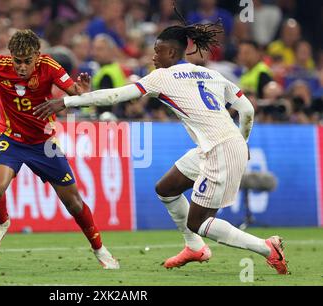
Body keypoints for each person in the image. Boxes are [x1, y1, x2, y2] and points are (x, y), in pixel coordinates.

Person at [34, 16, 288, 275]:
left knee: (199, 221)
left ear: (172, 52)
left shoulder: (162, 77)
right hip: (219, 145)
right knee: (166, 188)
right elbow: (246, 109)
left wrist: (65, 103)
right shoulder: (211, 74)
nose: (153, 57)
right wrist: (241, 141)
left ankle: (267, 248)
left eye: (157, 51)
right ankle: (194, 247)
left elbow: (115, 95)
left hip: (219, 149)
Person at [0, 29, 119, 269]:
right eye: (17, 61)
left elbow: (74, 95)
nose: (22, 67)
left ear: (37, 56)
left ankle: (99, 249)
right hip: (11, 138)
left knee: (74, 203)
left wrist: (81, 91)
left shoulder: (50, 66)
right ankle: (2, 223)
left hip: (43, 143)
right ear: (10, 56)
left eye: (27, 61)